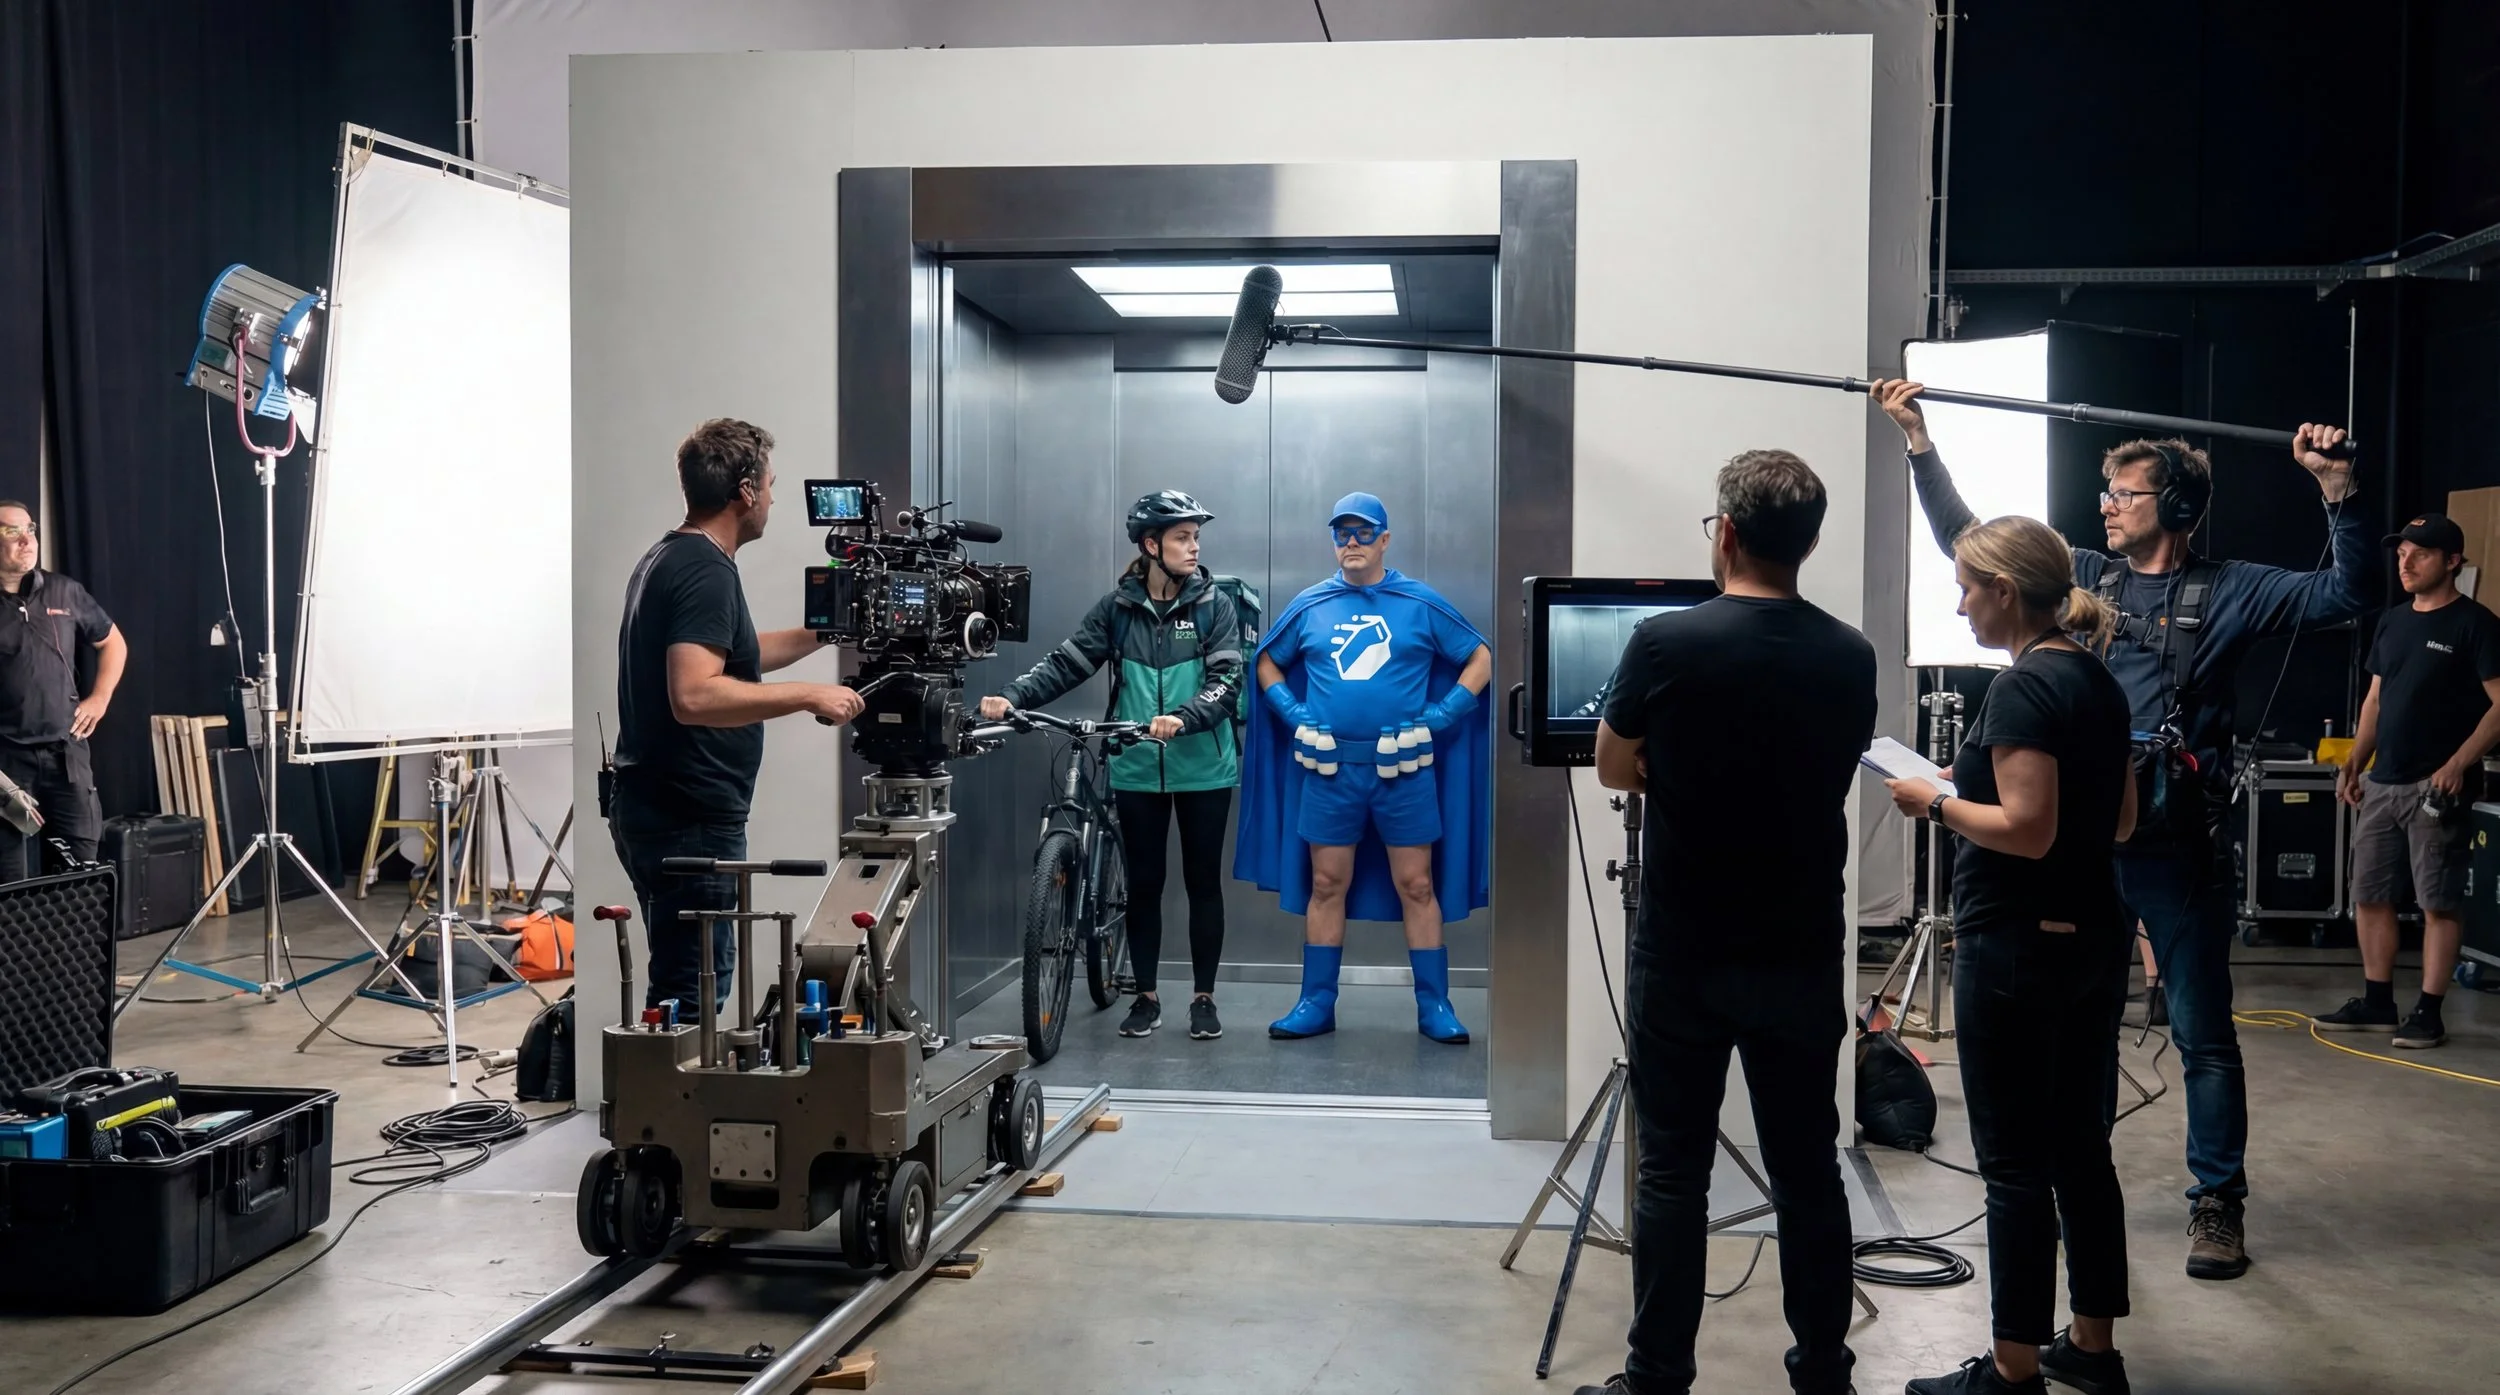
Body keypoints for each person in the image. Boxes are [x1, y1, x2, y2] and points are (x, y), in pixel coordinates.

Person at [1874, 379, 2367, 1281]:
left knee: (2202, 1031)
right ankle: (2079, 1171)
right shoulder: (2083, 581)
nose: (2105, 505)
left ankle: (2217, 1201)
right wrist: (1919, 445)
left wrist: (2337, 490)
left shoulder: (2233, 590)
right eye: (2105, 492)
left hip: (2176, 849)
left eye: (2124, 492)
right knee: (2083, 1029)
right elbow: (1973, 546)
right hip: (2084, 848)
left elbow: (2345, 595)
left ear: (2173, 506)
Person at [1577, 451, 1877, 1395]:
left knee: (1672, 1171)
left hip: (1685, 950)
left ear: (1728, 534)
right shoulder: (1851, 652)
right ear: (1813, 542)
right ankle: (1823, 1368)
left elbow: (1614, 768)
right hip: (1798, 948)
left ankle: (1657, 1375)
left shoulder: (1665, 644)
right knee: (1808, 1167)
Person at [1882, 515, 2138, 1395]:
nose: (1959, 606)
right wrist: (1973, 790)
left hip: (2018, 950)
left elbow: (2027, 830)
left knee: (2016, 1166)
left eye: (1965, 588)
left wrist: (1935, 803)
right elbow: (2121, 821)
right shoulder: (2098, 682)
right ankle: (2093, 1351)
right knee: (2081, 1149)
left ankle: (2012, 1368)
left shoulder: (2024, 688)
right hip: (2091, 942)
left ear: (2004, 590)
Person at [609, 418, 862, 1009]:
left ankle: (666, 1098)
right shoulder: (704, 571)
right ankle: (667, 1101)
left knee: (683, 983)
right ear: (745, 491)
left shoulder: (674, 556)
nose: (774, 497)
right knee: (692, 992)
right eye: (771, 484)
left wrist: (826, 632)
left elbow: (736, 657)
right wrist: (808, 695)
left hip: (660, 806)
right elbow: (695, 694)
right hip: (687, 817)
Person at [978, 490, 1246, 1041]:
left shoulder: (1214, 606)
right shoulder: (1117, 610)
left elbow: (1227, 680)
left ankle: (1203, 997)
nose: (1194, 547)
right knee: (1145, 884)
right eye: (1182, 537)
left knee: (1202, 885)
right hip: (1136, 766)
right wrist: (1012, 697)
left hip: (1203, 766)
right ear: (1152, 545)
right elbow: (1066, 662)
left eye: (1196, 537)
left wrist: (1185, 716)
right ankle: (1144, 996)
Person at [1235, 491, 1492, 1043]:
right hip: (1331, 771)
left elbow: (1480, 658)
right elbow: (1266, 664)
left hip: (1404, 770)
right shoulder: (1311, 605)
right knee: (1327, 883)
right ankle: (1316, 1001)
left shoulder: (1418, 603)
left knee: (1417, 884)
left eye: (1362, 532)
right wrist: (1295, 713)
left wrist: (1441, 716)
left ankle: (1435, 1006)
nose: (1351, 543)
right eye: (1341, 534)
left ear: (1384, 539)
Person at [2320, 513, 2500, 1049]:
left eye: (2420, 553)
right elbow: (2377, 697)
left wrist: (2457, 764)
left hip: (2436, 787)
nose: (2406, 561)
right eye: (2401, 553)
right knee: (2369, 894)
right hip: (2383, 783)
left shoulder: (2476, 623)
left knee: (2437, 901)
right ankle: (2378, 1001)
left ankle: (2428, 1011)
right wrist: (2356, 758)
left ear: (2452, 561)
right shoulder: (2393, 621)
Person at [0, 499, 125, 880]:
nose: (27, 540)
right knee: (11, 879)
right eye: (11, 531)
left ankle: (76, 942)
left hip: (66, 757)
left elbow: (113, 643)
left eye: (31, 529)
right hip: (7, 764)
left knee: (83, 871)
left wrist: (100, 698)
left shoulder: (64, 592)